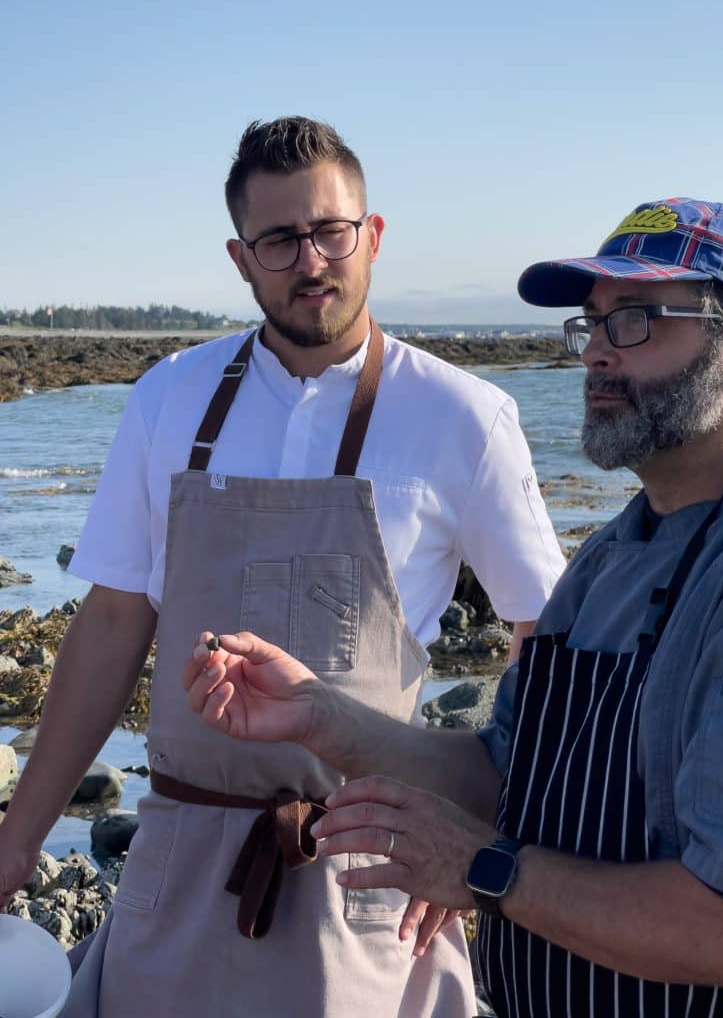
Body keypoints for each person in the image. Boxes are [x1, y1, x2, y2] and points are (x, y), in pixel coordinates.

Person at [183, 199, 723, 1016]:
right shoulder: (613, 554)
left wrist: (486, 868)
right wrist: (318, 717)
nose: (594, 355)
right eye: (590, 326)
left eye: (635, 321)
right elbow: (508, 775)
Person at [0, 116, 565, 1017]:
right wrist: (19, 838)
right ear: (240, 257)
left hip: (372, 867)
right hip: (178, 858)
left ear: (371, 236)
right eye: (279, 239)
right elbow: (111, 624)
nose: (311, 260)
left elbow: (546, 644)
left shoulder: (465, 418)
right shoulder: (168, 398)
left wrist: (481, 836)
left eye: (330, 230)